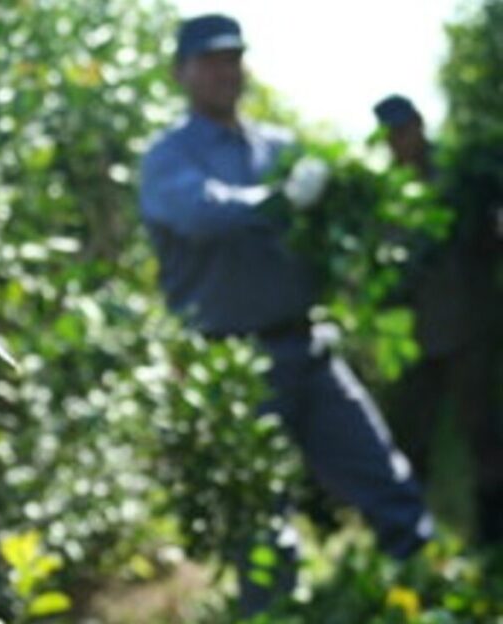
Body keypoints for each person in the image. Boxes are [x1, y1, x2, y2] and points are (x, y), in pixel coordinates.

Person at [138, 14, 433, 613]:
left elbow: (333, 226)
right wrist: (274, 200)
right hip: (234, 361)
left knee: (384, 478)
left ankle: (430, 591)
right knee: (261, 525)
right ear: (181, 73)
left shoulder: (282, 147)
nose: (227, 71)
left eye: (234, 58)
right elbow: (199, 213)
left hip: (309, 347)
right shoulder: (169, 157)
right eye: (212, 60)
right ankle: (274, 611)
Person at [374, 94, 503, 544]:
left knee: (482, 430)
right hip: (416, 336)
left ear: (420, 126)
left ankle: (491, 533)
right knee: (411, 435)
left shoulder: (463, 181)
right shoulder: (385, 194)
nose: (400, 141)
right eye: (391, 134)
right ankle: (412, 533)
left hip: (469, 326)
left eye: (405, 129)